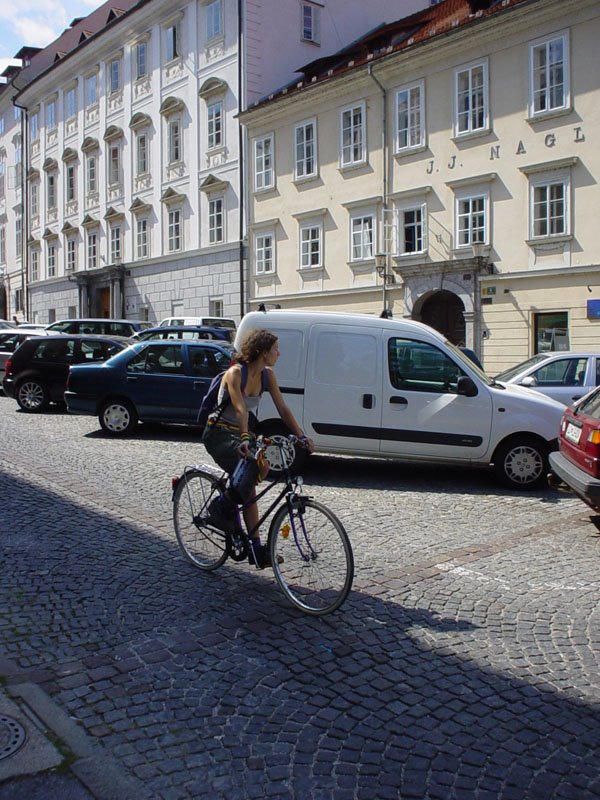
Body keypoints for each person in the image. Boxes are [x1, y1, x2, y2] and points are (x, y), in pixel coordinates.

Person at [202, 329, 314, 569]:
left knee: (254, 479)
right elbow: (241, 408)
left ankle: (255, 549)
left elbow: (282, 408)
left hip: (242, 433)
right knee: (251, 470)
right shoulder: (235, 374)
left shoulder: (267, 376)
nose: (279, 353)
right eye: (275, 349)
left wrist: (301, 436)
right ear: (263, 352)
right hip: (220, 433)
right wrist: (245, 437)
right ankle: (220, 507)